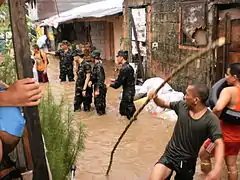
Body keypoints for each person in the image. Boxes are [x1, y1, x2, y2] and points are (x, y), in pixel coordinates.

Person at [148, 84, 224, 180]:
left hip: (187, 162)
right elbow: (163, 104)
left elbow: (219, 143)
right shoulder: (181, 106)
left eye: (187, 94)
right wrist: (155, 98)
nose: (184, 97)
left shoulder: (211, 119)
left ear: (196, 100)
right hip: (170, 155)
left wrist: (217, 169)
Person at [200, 63, 240, 180]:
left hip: (222, 137)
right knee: (232, 166)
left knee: (203, 155)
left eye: (227, 74)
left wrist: (210, 120)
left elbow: (218, 108)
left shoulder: (229, 91)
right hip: (237, 138)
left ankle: (208, 177)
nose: (225, 77)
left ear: (235, 77)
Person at [107, 50, 136, 120]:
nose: (117, 59)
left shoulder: (124, 69)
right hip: (130, 91)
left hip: (128, 93)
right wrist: (114, 80)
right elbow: (125, 79)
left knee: (128, 113)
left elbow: (117, 85)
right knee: (123, 110)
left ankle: (132, 125)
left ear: (121, 58)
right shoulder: (129, 67)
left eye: (118, 57)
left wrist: (109, 85)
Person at [89, 50, 107, 115]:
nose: (90, 58)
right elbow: (95, 76)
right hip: (98, 86)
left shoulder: (99, 66)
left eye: (91, 57)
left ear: (94, 57)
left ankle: (102, 119)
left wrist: (98, 90)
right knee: (98, 104)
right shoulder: (96, 65)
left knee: (100, 105)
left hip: (100, 87)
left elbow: (101, 79)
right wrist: (91, 81)